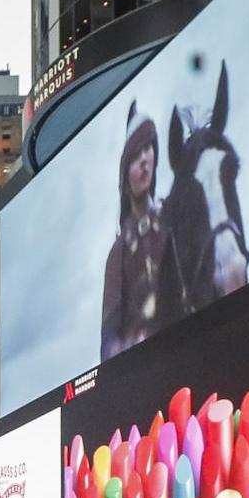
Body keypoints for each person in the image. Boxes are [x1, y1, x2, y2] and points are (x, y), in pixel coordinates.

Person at [100, 106, 171, 359]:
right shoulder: (117, 253)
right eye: (135, 154)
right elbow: (108, 344)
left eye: (148, 148)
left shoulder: (172, 218)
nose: (144, 158)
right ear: (125, 172)